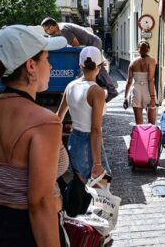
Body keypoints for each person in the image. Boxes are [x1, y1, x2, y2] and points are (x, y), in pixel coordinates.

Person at [0, 25, 68, 246]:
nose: (50, 66)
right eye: (47, 59)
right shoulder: (44, 122)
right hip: (27, 233)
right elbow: (40, 203)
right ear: (31, 66)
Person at [57, 46, 111, 181]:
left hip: (74, 140)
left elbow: (58, 117)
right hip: (89, 143)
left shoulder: (70, 85)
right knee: (100, 188)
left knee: (83, 185)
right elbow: (96, 129)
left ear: (80, 65)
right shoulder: (96, 91)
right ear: (100, 66)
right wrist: (97, 163)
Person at [41, 17, 118, 103]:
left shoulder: (63, 31)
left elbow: (76, 45)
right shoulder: (59, 29)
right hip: (90, 44)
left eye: (46, 30)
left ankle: (106, 90)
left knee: (91, 66)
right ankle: (111, 90)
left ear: (51, 27)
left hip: (93, 43)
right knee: (97, 66)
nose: (46, 32)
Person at [123, 41, 157, 124]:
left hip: (136, 90)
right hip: (148, 90)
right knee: (151, 122)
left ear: (138, 50)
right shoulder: (152, 61)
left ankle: (141, 136)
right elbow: (150, 80)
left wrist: (125, 97)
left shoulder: (133, 63)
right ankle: (151, 136)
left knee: (139, 123)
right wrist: (152, 97)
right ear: (148, 49)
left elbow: (129, 81)